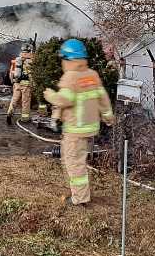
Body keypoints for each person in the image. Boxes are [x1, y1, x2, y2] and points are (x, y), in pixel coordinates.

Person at [43, 38, 114, 207]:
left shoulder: (70, 77)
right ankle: (78, 192)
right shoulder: (92, 75)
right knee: (72, 160)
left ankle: (80, 198)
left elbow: (65, 100)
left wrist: (50, 96)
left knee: (74, 164)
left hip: (75, 129)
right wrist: (108, 116)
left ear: (68, 59)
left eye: (63, 59)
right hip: (89, 128)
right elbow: (103, 97)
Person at [6, 42, 34, 125]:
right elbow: (32, 74)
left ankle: (9, 114)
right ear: (29, 51)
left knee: (14, 100)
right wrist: (33, 84)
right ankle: (25, 119)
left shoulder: (17, 59)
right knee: (25, 101)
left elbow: (12, 72)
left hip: (17, 83)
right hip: (26, 84)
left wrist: (13, 82)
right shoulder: (31, 61)